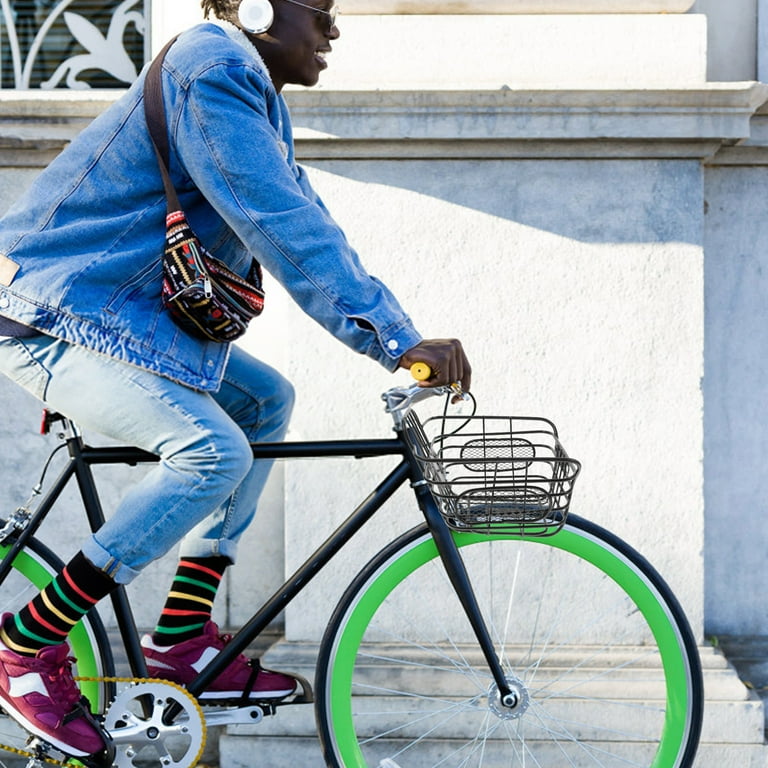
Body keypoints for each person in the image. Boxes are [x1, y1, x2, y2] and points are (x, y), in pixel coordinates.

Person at [0, 0, 471, 758]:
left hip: (110, 319)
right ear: (256, 5)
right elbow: (278, 226)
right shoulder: (212, 70)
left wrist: (395, 328)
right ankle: (26, 642)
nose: (334, 30)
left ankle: (182, 639)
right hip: (51, 315)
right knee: (213, 454)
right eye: (320, 10)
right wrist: (396, 339)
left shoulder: (248, 88)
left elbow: (305, 217)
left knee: (264, 401)